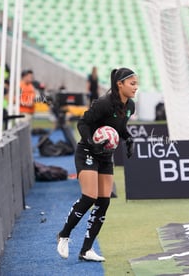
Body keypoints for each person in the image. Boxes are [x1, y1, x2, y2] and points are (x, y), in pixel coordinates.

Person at [57, 67, 137, 261]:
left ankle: (86, 250)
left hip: (105, 155)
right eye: (132, 83)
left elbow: (119, 127)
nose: (136, 87)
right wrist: (92, 142)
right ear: (120, 84)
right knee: (89, 197)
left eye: (136, 83)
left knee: (104, 201)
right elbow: (82, 124)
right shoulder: (103, 103)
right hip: (87, 151)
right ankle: (64, 234)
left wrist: (128, 138)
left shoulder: (130, 106)